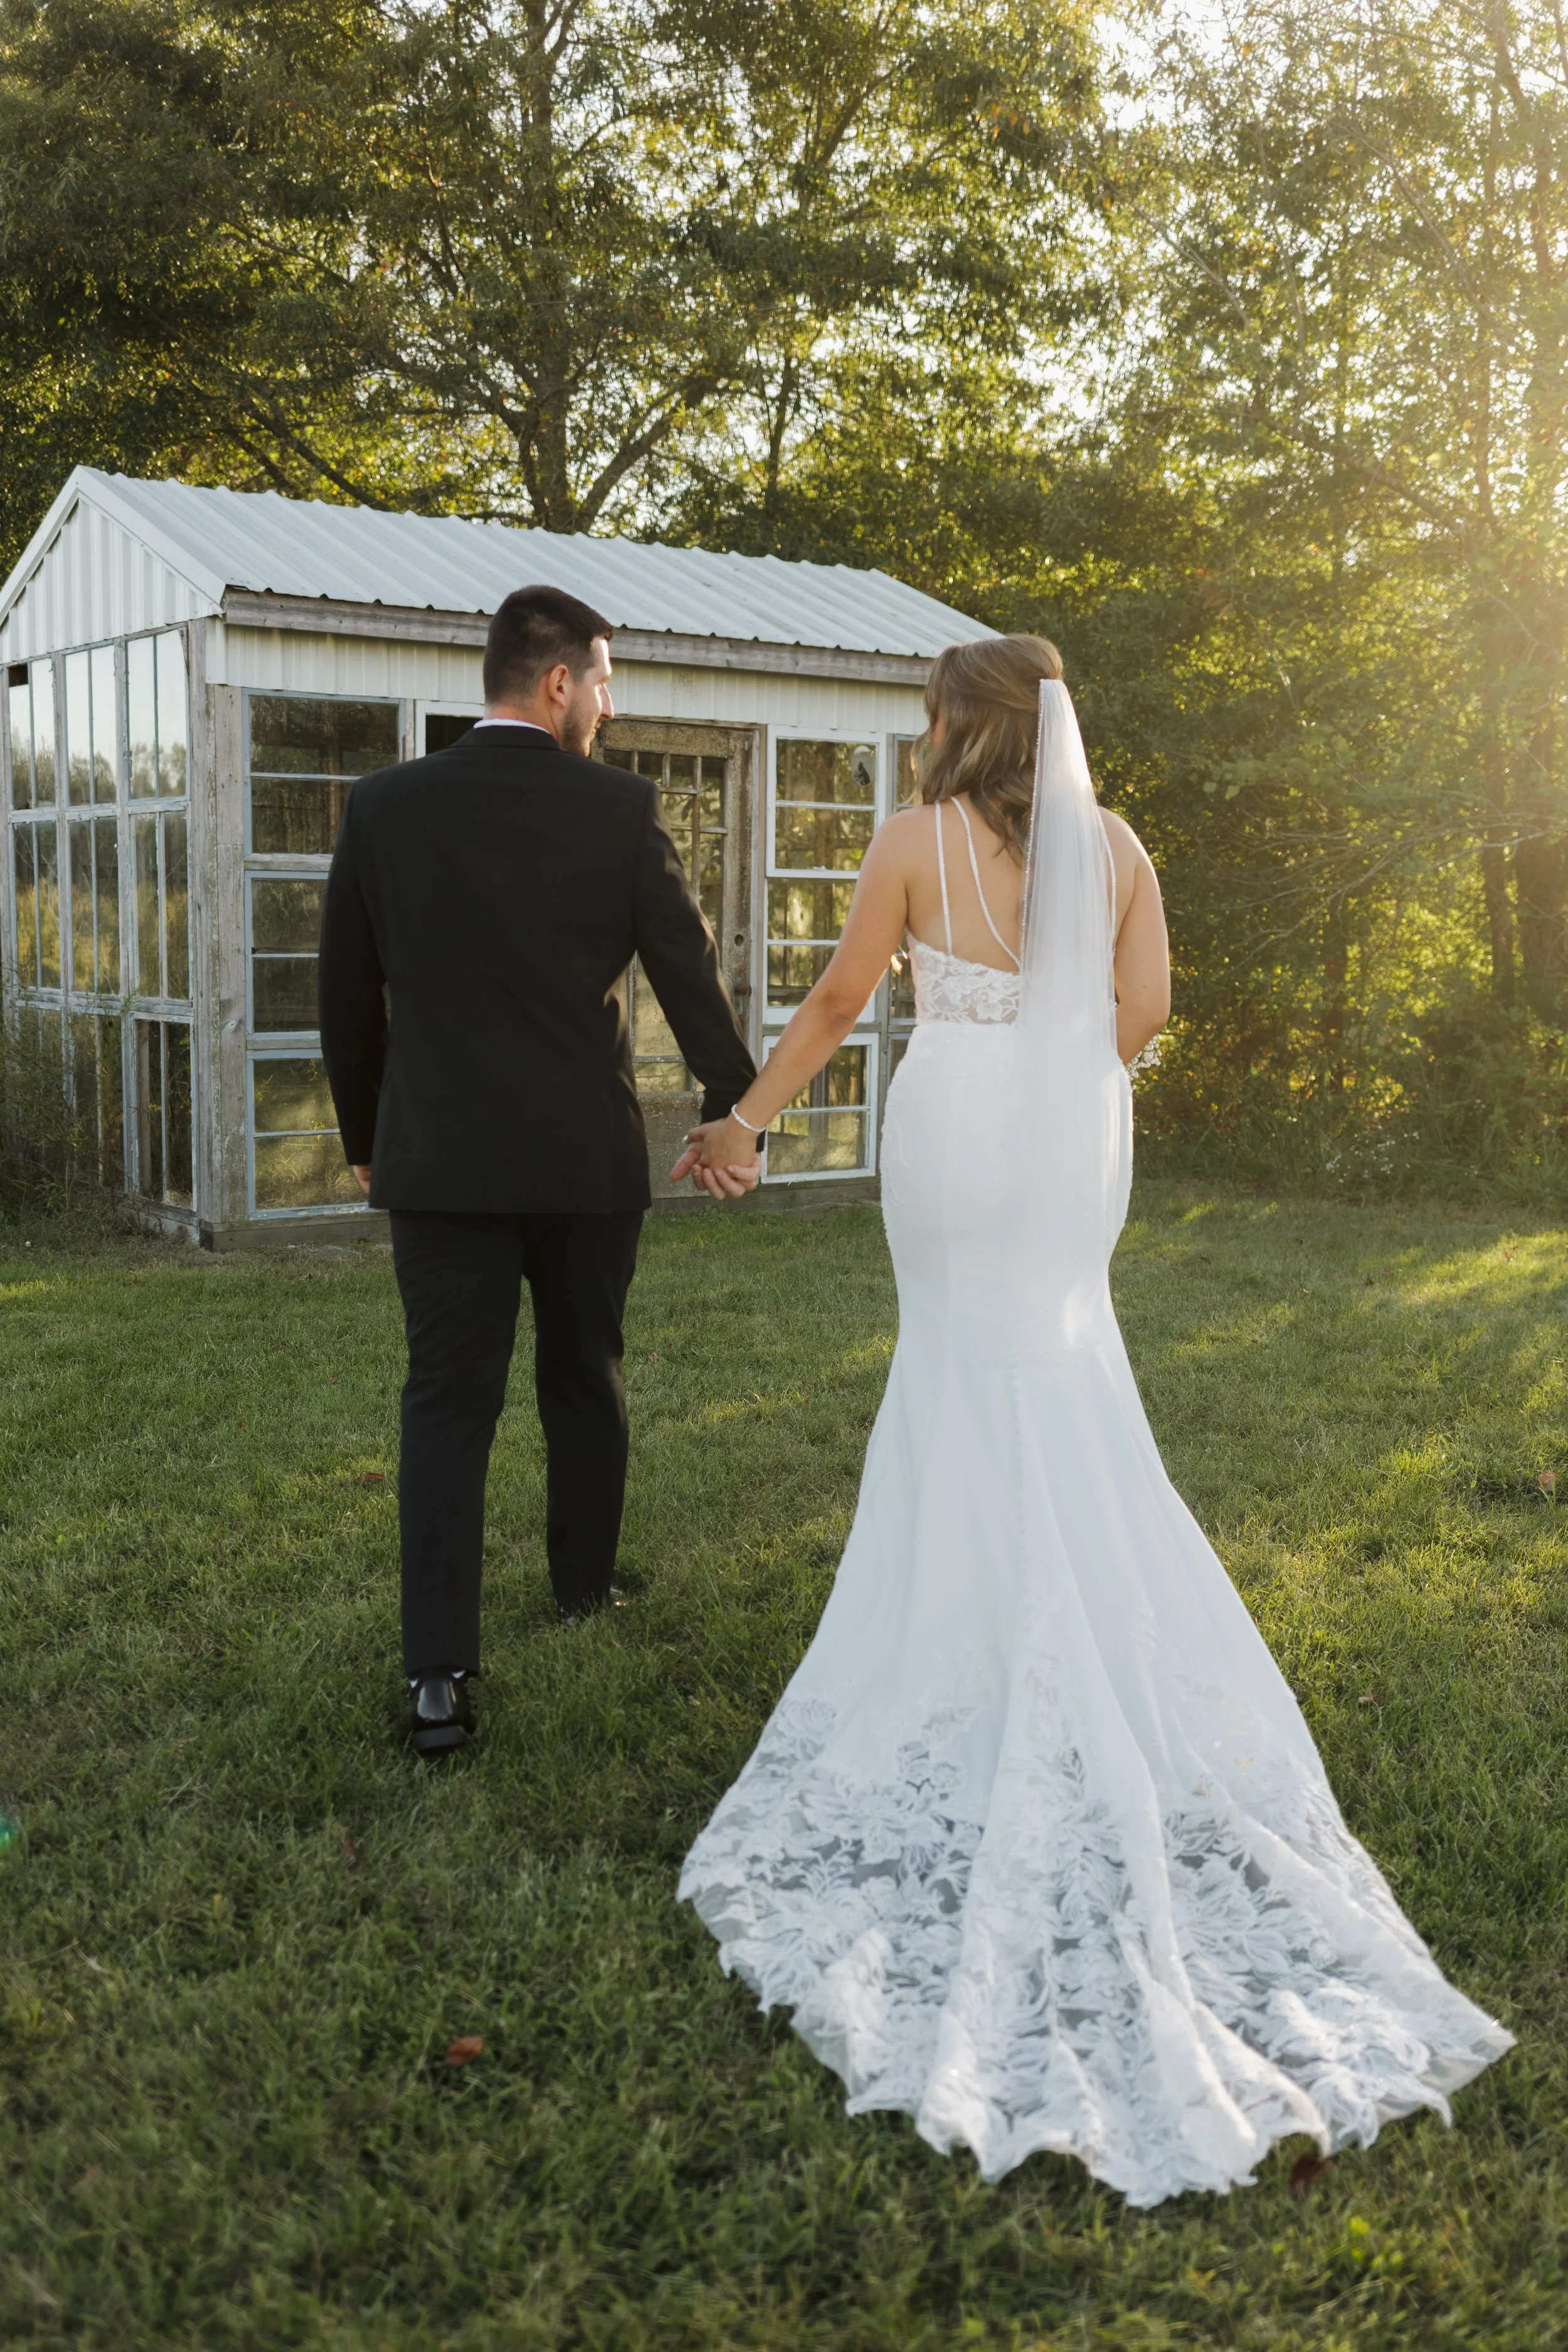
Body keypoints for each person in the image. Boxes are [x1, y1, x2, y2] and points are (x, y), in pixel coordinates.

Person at [677, 634, 1512, 2205]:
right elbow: (1140, 1016)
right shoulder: (1118, 848)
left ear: (955, 723)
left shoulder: (912, 843)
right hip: (1067, 1145)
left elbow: (851, 991)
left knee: (951, 1371)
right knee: (1055, 1366)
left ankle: (967, 1641)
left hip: (950, 1136)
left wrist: (742, 1122)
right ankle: (1072, 1631)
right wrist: (1056, 1072)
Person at [318, 585, 758, 1756]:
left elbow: (345, 998)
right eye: (605, 681)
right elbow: (688, 971)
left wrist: (367, 1138)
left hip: (440, 1163)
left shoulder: (384, 807)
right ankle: (581, 1586)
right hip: (581, 1161)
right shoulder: (621, 810)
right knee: (585, 1377)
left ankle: (437, 1681)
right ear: (557, 682)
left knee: (446, 1404)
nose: (611, 707)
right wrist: (734, 1105)